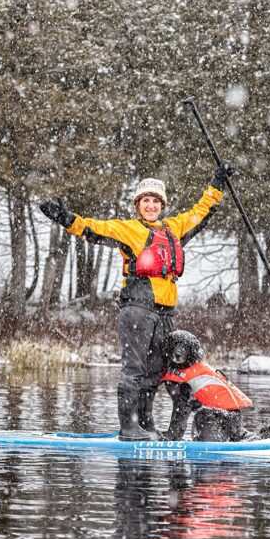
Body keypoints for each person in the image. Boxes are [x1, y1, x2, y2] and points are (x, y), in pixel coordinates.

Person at [38, 165, 232, 440]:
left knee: (155, 373)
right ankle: (129, 427)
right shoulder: (127, 229)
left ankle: (145, 425)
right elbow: (92, 229)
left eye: (155, 201)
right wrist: (66, 218)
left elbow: (200, 212)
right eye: (145, 201)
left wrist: (217, 184)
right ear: (138, 205)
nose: (150, 206)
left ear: (162, 205)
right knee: (135, 370)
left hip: (165, 314)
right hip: (137, 310)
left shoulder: (174, 228)